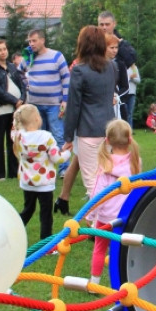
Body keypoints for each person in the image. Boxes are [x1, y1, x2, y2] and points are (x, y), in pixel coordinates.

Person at [62, 26, 118, 200]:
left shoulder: (79, 70)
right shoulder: (111, 67)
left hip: (88, 131)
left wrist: (68, 136)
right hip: (109, 129)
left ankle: (96, 223)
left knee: (92, 183)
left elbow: (73, 106)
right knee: (107, 179)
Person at [87, 119, 142, 287]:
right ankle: (120, 283)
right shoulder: (135, 162)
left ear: (108, 140)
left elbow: (98, 194)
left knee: (99, 249)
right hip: (125, 215)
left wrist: (90, 215)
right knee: (120, 251)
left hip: (105, 218)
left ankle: (94, 283)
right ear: (129, 139)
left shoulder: (105, 163)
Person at [12, 104, 71, 240]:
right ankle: (46, 243)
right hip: (44, 183)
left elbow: (13, 130)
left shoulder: (18, 137)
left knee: (28, 209)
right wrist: (67, 152)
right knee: (46, 215)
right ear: (37, 119)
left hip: (27, 182)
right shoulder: (46, 137)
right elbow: (57, 158)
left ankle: (14, 229)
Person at [0, 39, 26, 181]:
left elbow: (22, 84)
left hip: (14, 110)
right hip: (0, 108)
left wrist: (22, 98)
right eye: (0, 50)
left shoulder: (12, 67)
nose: (3, 52)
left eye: (4, 49)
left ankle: (13, 171)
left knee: (13, 140)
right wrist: (14, 100)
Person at [24, 29, 69, 149]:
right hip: (35, 105)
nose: (31, 44)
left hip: (54, 104)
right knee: (38, 138)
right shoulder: (29, 58)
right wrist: (25, 84)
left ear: (42, 40)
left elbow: (66, 77)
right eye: (29, 41)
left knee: (58, 136)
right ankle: (44, 166)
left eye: (34, 41)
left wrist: (65, 100)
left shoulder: (56, 56)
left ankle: (63, 167)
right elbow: (17, 73)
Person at [98, 11, 138, 127]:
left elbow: (132, 59)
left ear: (114, 24)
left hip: (117, 93)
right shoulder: (94, 41)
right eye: (101, 24)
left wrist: (120, 45)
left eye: (107, 24)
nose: (104, 27)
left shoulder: (120, 42)